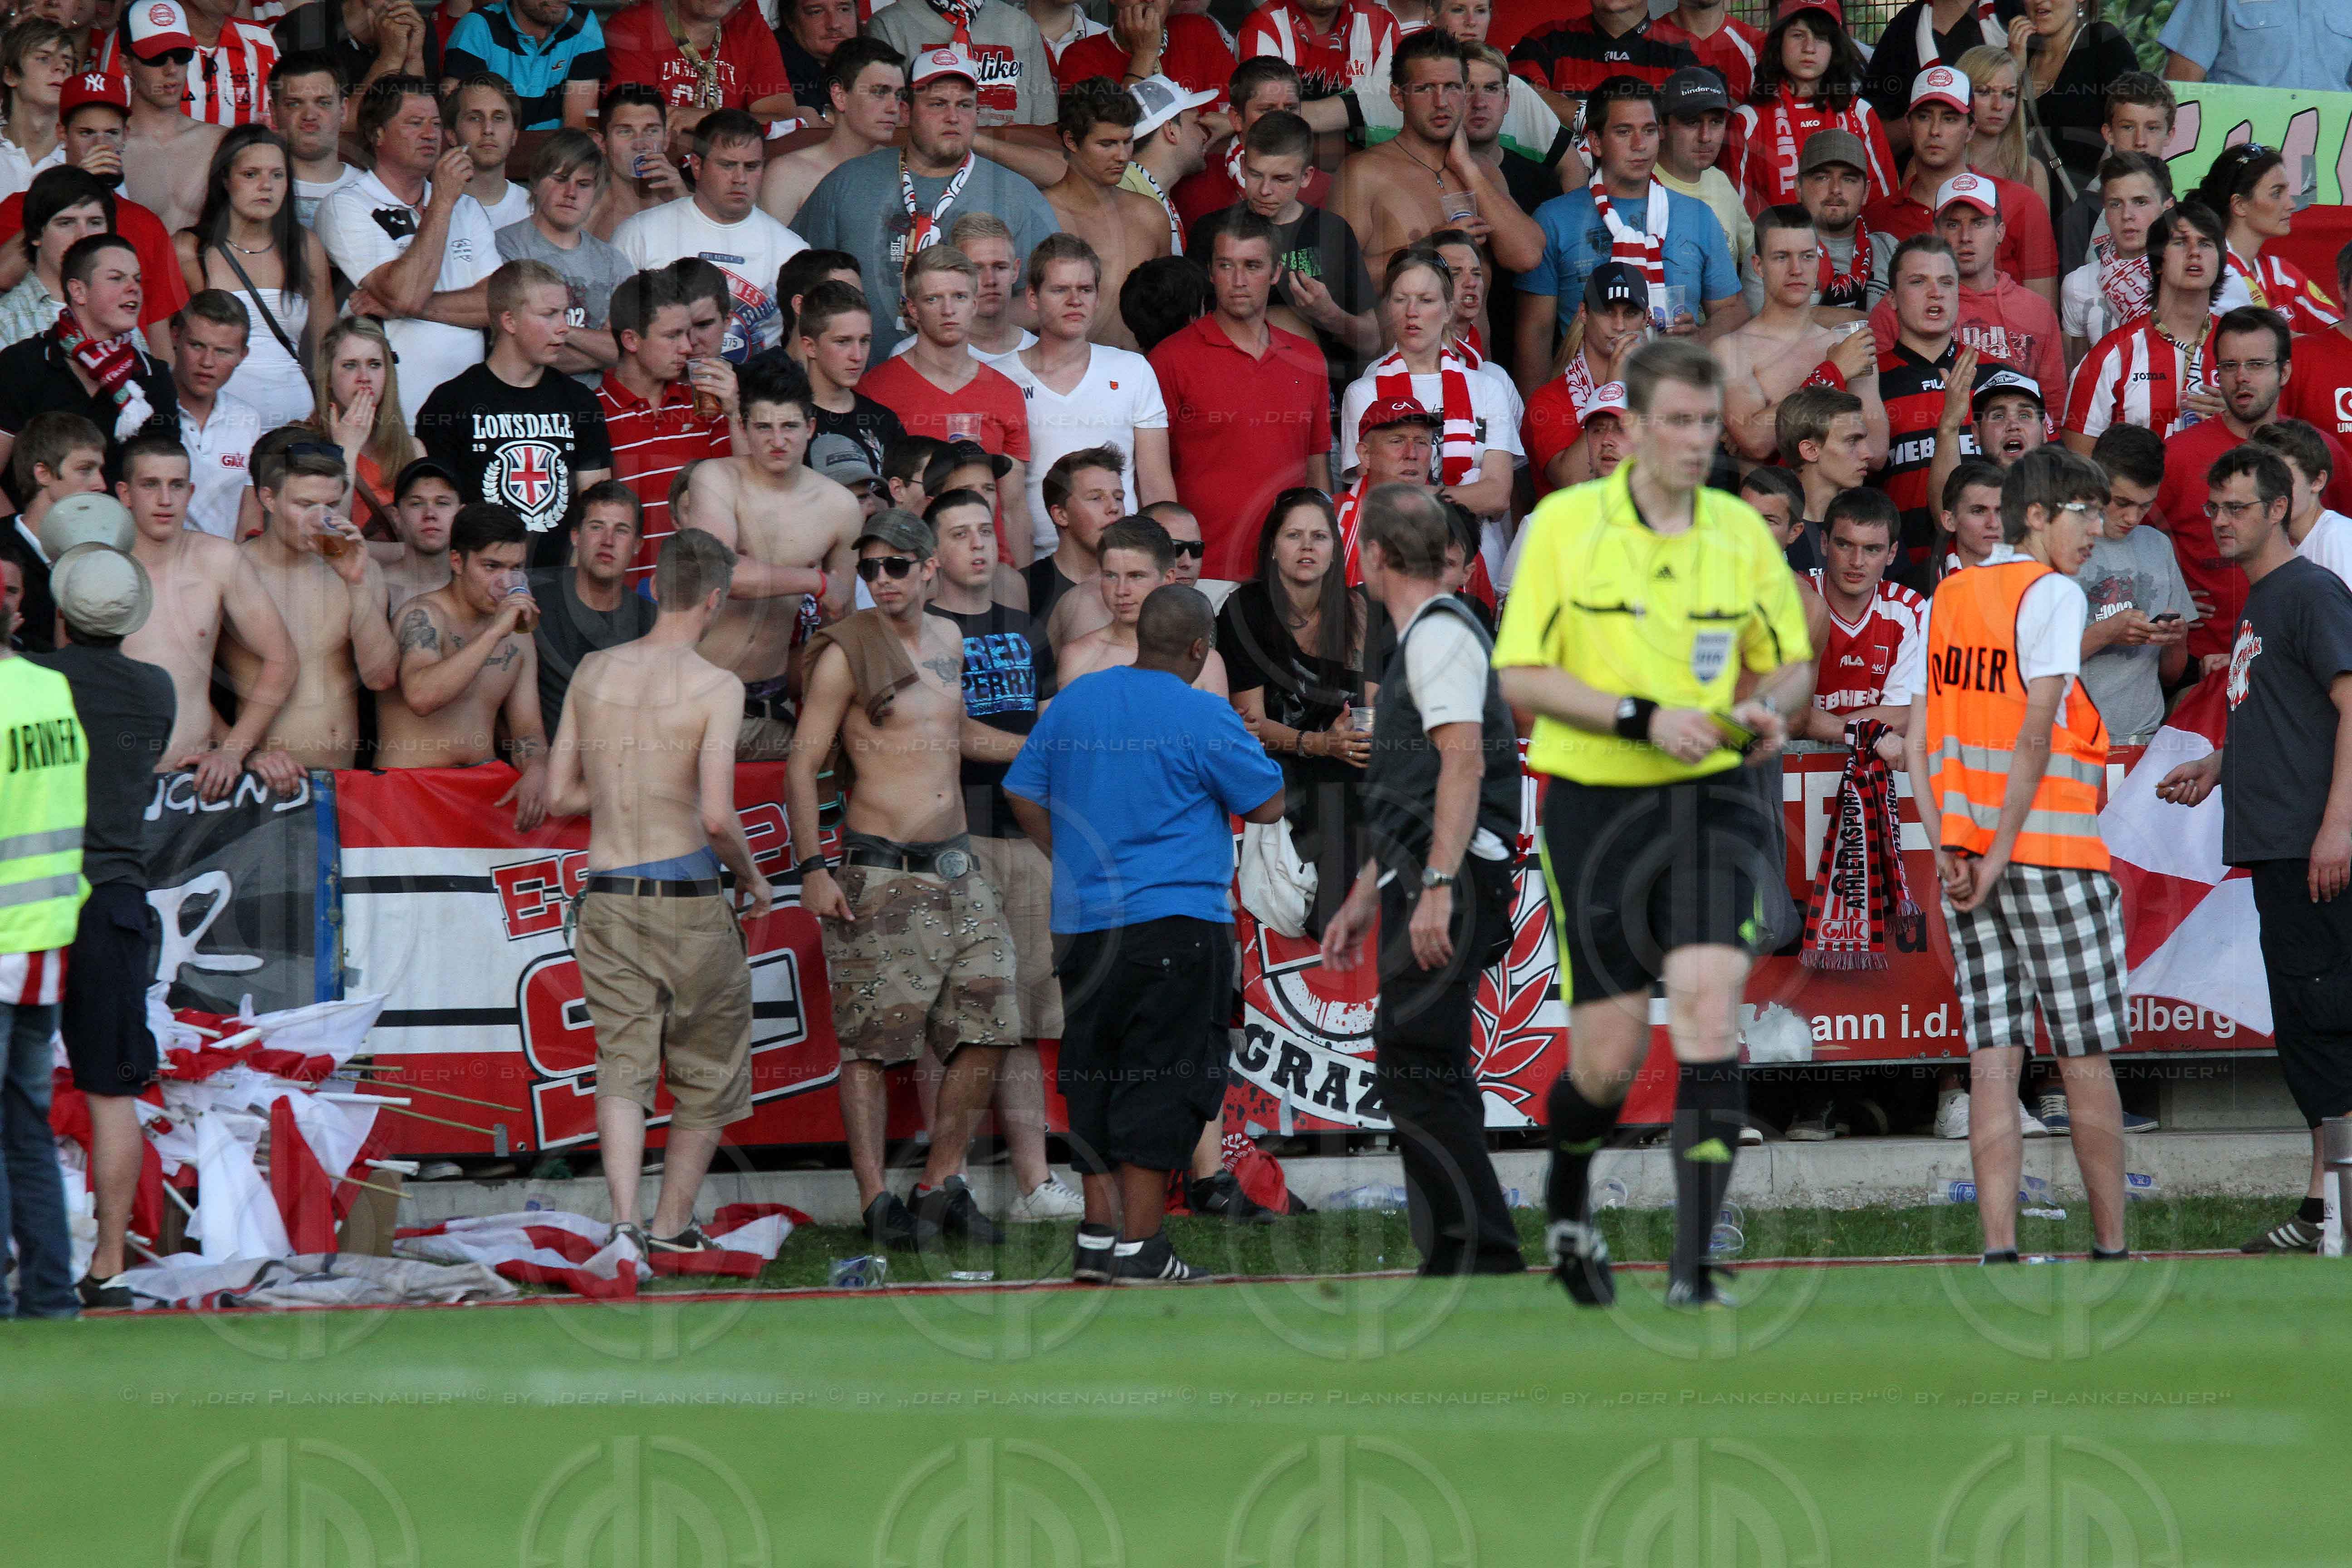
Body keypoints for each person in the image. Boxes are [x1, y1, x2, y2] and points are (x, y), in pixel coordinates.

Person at [1494, 337, 1813, 1310]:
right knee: (1609, 1057)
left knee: (1711, 1011)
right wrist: (1641, 717)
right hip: (1597, 801)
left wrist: (1772, 708)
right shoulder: (1561, 526)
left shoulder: (1737, 531)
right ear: (1628, 429)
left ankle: (1693, 1265)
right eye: (1674, 421)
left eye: (1707, 423)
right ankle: (1566, 1194)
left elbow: (1792, 661)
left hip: (1715, 793)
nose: (1693, 440)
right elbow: (1519, 679)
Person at [1004, 583, 1285, 1282]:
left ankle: (1098, 1242)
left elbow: (1019, 789)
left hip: (1085, 926)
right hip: (1177, 923)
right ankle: (1143, 1247)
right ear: (1200, 649)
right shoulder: (1201, 712)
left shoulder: (1078, 700)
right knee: (1162, 1082)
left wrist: (1069, 857)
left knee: (1094, 1077)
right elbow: (1270, 802)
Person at [1904, 443, 2129, 1262]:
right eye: (2083, 513)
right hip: (2048, 856)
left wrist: (1952, 851)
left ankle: (1997, 1249)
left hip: (1967, 862)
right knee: (2081, 1056)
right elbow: (2034, 730)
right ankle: (2110, 1248)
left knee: (1991, 1059)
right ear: (2035, 515)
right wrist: (1996, 855)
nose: (2095, 530)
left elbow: (1918, 742)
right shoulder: (2050, 593)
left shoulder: (1949, 596)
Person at [788, 509, 1024, 1250]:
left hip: (957, 866)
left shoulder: (953, 639)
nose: (881, 579)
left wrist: (1047, 746)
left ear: (929, 569)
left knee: (989, 1028)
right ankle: (873, 1200)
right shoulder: (845, 652)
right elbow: (802, 763)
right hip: (878, 870)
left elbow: (954, 736)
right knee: (869, 1044)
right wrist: (812, 869)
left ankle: (937, 1183)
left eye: (896, 566)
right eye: (870, 567)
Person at [545, 525, 773, 1258]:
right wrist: (753, 875)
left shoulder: (593, 669)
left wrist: (621, 789)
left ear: (652, 588)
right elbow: (714, 815)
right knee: (705, 1069)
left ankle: (621, 1225)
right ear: (714, 598)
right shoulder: (716, 686)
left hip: (609, 889)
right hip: (687, 899)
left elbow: (558, 793)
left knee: (623, 1062)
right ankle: (672, 1225)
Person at [1318, 482, 1524, 1275]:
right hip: (1438, 872)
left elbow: (1461, 760)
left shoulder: (1436, 635)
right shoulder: (1433, 633)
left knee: (1416, 1056)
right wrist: (1371, 889)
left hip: (1455, 878)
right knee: (1421, 1057)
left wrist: (1434, 883)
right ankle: (1461, 1244)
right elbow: (1419, 785)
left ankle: (1476, 1247)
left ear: (1368, 555)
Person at [2156, 445, 2352, 1251]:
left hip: (2312, 845)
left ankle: (2331, 1211)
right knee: (2309, 1029)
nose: (2217, 522)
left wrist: (2336, 825)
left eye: (2234, 506)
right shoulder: (2261, 602)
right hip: (2278, 843)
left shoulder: (2307, 590)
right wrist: (2217, 763)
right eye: (2210, 509)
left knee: (2324, 1026)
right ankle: (2321, 1206)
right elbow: (2291, 717)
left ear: (2277, 508)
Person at [921, 488, 1085, 1222]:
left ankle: (1032, 1183)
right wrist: (1035, 750)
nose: (978, 545)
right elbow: (951, 733)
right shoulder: (922, 634)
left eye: (985, 531)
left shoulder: (1025, 627)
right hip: (958, 837)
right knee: (952, 1018)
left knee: (1019, 1019)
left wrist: (1038, 748)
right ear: (934, 554)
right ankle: (942, 1178)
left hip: (1029, 837)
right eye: (959, 534)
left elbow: (1054, 712)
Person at [32, 527, 173, 1305]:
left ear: (60, 613)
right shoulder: (156, 690)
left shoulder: (33, 682)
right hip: (114, 897)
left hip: (29, 896)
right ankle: (110, 1265)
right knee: (112, 1089)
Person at [791, 44, 1060, 339]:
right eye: (937, 104)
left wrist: (970, 325)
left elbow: (1052, 297)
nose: (953, 117)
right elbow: (799, 282)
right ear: (906, 112)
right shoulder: (848, 181)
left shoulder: (1016, 192)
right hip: (862, 377)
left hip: (976, 378)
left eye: (965, 105)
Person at [1514, 76, 1744, 398]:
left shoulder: (1698, 215)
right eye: (1624, 132)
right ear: (1595, 142)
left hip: (1676, 396)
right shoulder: (1554, 218)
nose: (1640, 144)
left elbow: (1733, 309)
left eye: (1649, 131)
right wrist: (1535, 423)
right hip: (1581, 401)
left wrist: (1699, 339)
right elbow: (1535, 334)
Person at [679, 359, 858, 755]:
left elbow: (840, 622)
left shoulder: (841, 507)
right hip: (694, 692)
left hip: (770, 701)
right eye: (764, 427)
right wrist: (817, 581)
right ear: (743, 427)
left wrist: (828, 710)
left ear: (810, 428)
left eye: (790, 426)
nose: (778, 440)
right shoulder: (714, 478)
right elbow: (723, 575)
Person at [2156, 306, 2352, 668]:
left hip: (2303, 662)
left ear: (2285, 371)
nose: (2242, 378)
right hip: (2206, 660)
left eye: (2257, 365)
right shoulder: (2178, 456)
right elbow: (2135, 537)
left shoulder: (2322, 453)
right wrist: (2170, 593)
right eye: (2229, 366)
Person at [1152, 212, 1333, 593]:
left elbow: (1317, 470)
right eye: (1226, 265)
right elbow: (1151, 473)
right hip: (1203, 572)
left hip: (1289, 574)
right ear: (1211, 272)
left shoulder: (1308, 359)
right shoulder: (1170, 358)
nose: (1238, 281)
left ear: (1275, 272)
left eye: (1252, 266)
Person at [115, 432, 299, 796]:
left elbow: (283, 660)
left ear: (191, 492)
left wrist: (235, 752)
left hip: (193, 781)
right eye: (150, 485)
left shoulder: (218, 560)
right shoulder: (97, 568)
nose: (165, 500)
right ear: (125, 494)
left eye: (177, 485)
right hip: (115, 781)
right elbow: (74, 679)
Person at [315, 76, 498, 427]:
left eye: (436, 124)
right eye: (415, 123)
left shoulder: (469, 208)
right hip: (391, 417)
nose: (431, 134)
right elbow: (405, 294)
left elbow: (496, 306)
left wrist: (409, 309)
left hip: (467, 413)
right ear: (378, 134)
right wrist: (442, 201)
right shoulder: (347, 206)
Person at [1218, 485, 1364, 916]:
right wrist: (1319, 744)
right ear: (1272, 548)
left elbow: (1372, 710)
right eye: (1293, 536)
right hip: (1278, 756)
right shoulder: (1245, 609)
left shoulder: (1359, 611)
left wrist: (1357, 741)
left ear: (1335, 551)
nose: (1307, 547)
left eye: (1319, 537)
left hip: (1344, 752)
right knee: (1335, 793)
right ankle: (1328, 921)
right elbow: (1252, 723)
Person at [416, 259, 614, 568]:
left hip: (560, 584)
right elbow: (441, 515)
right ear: (509, 321)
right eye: (549, 315)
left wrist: (569, 591)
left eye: (564, 312)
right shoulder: (450, 403)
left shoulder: (581, 403)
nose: (564, 326)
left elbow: (596, 510)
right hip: (478, 588)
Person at [0, 590, 82, 1318]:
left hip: (4, 937)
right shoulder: (50, 688)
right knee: (26, 1130)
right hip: (47, 935)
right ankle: (53, 1297)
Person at [1193, 109, 1380, 415]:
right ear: (1242, 165)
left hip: (1319, 403)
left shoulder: (1330, 232)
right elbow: (1192, 328)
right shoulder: (1211, 231)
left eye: (1281, 179)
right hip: (1230, 399)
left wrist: (1329, 314)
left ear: (1306, 176)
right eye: (1255, 175)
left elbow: (1372, 342)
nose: (1266, 191)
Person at [859, 246, 1036, 564]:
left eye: (959, 297)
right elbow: (870, 502)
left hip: (989, 571)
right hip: (909, 572)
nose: (948, 310)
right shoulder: (876, 390)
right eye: (933, 299)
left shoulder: (1006, 392)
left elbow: (1014, 507)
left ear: (975, 305)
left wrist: (1021, 582)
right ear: (912, 309)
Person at [231, 432, 396, 768]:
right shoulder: (231, 571)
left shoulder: (363, 571)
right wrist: (239, 755)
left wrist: (357, 583)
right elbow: (189, 692)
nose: (320, 519)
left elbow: (381, 678)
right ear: (269, 499)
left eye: (332, 506)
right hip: (265, 784)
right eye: (305, 505)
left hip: (343, 780)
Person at [1332, 32, 1539, 299]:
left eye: (1452, 87)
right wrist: (1429, 248)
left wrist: (1466, 167)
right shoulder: (1363, 173)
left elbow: (1527, 256)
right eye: (1425, 88)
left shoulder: (1482, 170)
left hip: (1474, 342)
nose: (1441, 102)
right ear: (1398, 95)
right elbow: (1339, 282)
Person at [377, 501, 549, 821]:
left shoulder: (519, 636)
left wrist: (537, 770)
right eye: (491, 567)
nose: (505, 582)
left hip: (481, 795)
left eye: (515, 569)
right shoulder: (423, 615)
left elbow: (527, 729)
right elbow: (421, 696)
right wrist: (494, 633)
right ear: (457, 561)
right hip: (410, 792)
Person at [1339, 250, 1521, 549]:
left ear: (1449, 309)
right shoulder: (1364, 392)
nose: (1413, 312)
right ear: (1388, 309)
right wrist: (1467, 492)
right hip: (1397, 552)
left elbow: (1498, 497)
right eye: (1401, 300)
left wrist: (1413, 497)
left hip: (1478, 556)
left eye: (1426, 300)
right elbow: (1374, 497)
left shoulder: (1489, 387)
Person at [614, 108, 807, 364]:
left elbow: (806, 349)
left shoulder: (793, 251)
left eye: (751, 167)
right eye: (727, 165)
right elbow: (613, 336)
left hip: (754, 397)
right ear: (697, 165)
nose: (740, 179)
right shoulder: (639, 234)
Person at [1864, 66, 2057, 314]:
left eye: (1950, 118)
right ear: (1908, 126)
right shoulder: (1878, 216)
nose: (1935, 131)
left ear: (1971, 129)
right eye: (1924, 117)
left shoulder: (2021, 202)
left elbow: (2044, 317)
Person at [173, 128, 330, 429]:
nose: (266, 186)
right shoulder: (189, 249)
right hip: (217, 425)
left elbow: (327, 346)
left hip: (298, 424)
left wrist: (323, 414)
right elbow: (172, 346)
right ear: (225, 179)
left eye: (277, 175)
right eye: (250, 174)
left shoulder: (305, 246)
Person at [1870, 170, 2063, 408]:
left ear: (2000, 232)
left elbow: (2053, 406)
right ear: (1936, 233)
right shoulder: (1901, 306)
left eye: (1978, 223)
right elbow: (1875, 396)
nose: (1965, 237)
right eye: (1953, 224)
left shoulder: (2037, 310)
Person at [0, 233, 180, 482]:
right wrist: (19, 523)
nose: (134, 288)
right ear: (79, 291)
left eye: (137, 280)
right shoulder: (21, 364)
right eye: (117, 278)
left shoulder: (153, 376)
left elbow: (163, 483)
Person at [1717, 205, 1886, 466]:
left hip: (1840, 505)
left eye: (1807, 257)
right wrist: (1832, 374)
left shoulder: (1846, 345)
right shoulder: (1731, 349)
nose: (1796, 269)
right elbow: (1756, 442)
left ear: (1819, 263)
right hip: (1769, 502)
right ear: (1759, 266)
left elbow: (1875, 452)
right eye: (1782, 257)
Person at [598, 268, 732, 580]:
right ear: (631, 340)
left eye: (687, 334)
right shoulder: (592, 411)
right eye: (673, 336)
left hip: (695, 596)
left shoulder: (706, 404)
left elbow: (737, 495)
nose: (688, 347)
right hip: (623, 605)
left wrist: (735, 411)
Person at [2063, 199, 2222, 456]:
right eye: (2180, 242)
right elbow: (2079, 470)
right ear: (2158, 262)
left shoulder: (2245, 348)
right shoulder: (2109, 356)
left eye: (2206, 243)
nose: (2195, 252)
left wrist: (2239, 418)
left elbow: (2274, 437)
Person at [1873, 235, 1999, 559]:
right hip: (1893, 572)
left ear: (1959, 293)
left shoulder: (2003, 380)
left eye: (1946, 282)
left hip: (1988, 569)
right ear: (1892, 299)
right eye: (1918, 282)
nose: (1935, 293)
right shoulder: (1868, 381)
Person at [2070, 421, 2194, 743]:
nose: (2133, 518)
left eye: (2146, 505)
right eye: (2121, 503)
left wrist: (2177, 638)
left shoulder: (2157, 545)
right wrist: (2107, 632)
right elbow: (2030, 666)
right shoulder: (2058, 545)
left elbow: (2171, 674)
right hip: (2071, 744)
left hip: (2144, 738)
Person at [1726, 0, 1895, 216]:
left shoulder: (1860, 115)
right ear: (1779, 42)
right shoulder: (1748, 121)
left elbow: (1883, 213)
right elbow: (1737, 223)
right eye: (1798, 35)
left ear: (1835, 47)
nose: (1809, 48)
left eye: (1821, 38)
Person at [1792, 485, 1925, 760]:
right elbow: (1788, 714)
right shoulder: (1797, 602)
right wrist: (1871, 735)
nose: (1857, 562)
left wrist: (1824, 725)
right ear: (1824, 543)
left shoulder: (1907, 609)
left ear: (1892, 553)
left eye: (1873, 549)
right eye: (1845, 544)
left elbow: (1904, 714)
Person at [495, 131, 632, 387]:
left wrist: (550, 330)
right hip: (525, 409)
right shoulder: (505, 247)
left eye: (584, 184)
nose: (571, 193)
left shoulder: (614, 262)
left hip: (594, 412)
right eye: (560, 179)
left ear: (597, 193)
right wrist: (602, 352)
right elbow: (516, 349)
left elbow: (627, 349)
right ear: (535, 183)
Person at [1040, 77, 1167, 351]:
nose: (1122, 156)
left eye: (1127, 141)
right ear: (1072, 141)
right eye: (1107, 144)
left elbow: (1166, 312)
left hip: (1139, 379)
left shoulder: (1150, 216)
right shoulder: (1037, 215)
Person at [528, 480, 654, 725]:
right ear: (576, 536)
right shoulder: (533, 594)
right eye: (597, 527)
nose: (608, 540)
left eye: (621, 530)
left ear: (638, 545)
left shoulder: (650, 622)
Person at [1059, 514, 1230, 691]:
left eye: (1136, 576)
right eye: (1110, 576)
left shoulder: (1207, 663)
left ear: (1168, 579)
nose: (1121, 590)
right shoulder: (1078, 658)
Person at [1520, 261, 1647, 495]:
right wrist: (1614, 389)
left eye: (1630, 313)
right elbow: (1572, 481)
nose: (1619, 325)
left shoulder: (1657, 394)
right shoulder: (1548, 400)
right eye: (1607, 312)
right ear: (1583, 313)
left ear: (1646, 318)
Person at [2196, 143, 2342, 338]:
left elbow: (2341, 332)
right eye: (2276, 193)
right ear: (2239, 205)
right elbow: (2269, 349)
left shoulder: (2280, 273)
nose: (2291, 205)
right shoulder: (2216, 270)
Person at [1171, 56, 1332, 230]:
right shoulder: (1194, 187)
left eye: (1290, 109)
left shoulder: (1325, 188)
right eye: (1267, 110)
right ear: (1237, 118)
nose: (1280, 118)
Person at [758, 37, 903, 229]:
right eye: (879, 93)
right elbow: (773, 256)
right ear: (840, 96)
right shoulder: (788, 175)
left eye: (899, 95)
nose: (894, 108)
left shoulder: (903, 170)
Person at [599, 0, 798, 136]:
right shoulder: (633, 26)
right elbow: (636, 125)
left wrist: (707, 119)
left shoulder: (750, 28)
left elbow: (785, 122)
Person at [866, 0, 1057, 140]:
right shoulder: (889, 24)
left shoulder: (1021, 25)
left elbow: (1046, 130)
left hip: (1013, 177)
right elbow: (885, 129)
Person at [2006, 0, 2136, 204]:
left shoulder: (2103, 42)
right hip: (2023, 214)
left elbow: (2134, 125)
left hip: (2090, 215)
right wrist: (2012, 70)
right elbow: (1994, 136)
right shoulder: (2016, 55)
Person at [114, 2, 228, 235]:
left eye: (181, 55)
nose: (171, 69)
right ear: (126, 64)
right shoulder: (110, 147)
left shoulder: (221, 143)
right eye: (156, 58)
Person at [2051, 72, 2173, 278]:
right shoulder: (2080, 218)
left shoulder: (2183, 213)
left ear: (2170, 135)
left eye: (2152, 128)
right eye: (2128, 127)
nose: (2140, 141)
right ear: (2108, 133)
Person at [3, 413, 108, 651]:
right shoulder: (2, 547)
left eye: (100, 470)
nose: (101, 484)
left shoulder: (96, 560)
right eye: (85, 470)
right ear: (43, 474)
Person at [2057, 152, 2172, 366]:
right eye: (2116, 204)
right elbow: (2081, 376)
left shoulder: (2193, 275)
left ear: (2168, 206)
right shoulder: (2077, 284)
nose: (2127, 214)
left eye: (2140, 202)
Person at [168, 291, 264, 540]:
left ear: (243, 356)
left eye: (223, 351)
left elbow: (249, 513)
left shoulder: (248, 420)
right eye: (197, 345)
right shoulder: (143, 408)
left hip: (223, 571)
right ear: (176, 337)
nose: (207, 362)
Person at [1507, 0, 1694, 123]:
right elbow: (1508, 94)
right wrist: (1586, 118)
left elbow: (1698, 132)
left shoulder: (1686, 49)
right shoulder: (1547, 39)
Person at [1862, 0, 2012, 152]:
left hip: (2000, 159)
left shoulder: (2011, 11)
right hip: (1920, 166)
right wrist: (1928, 118)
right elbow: (1871, 134)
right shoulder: (1905, 27)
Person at [790, 279, 904, 479]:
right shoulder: (785, 422)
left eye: (864, 341)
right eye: (843, 342)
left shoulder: (885, 421)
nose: (858, 356)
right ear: (810, 347)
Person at [439, 0, 607, 132]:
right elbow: (457, 126)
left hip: (557, 165)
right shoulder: (477, 27)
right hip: (488, 164)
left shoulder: (581, 22)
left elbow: (578, 129)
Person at [1656, 68, 1750, 292]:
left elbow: (1753, 259)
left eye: (1716, 123)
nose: (1706, 137)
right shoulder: (1638, 185)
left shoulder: (1720, 182)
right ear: (1661, 126)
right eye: (1691, 123)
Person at [0, 167, 111, 354]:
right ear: (36, 234)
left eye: (95, 223)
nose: (83, 236)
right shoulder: (6, 320)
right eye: (66, 223)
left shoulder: (120, 313)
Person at [1024, 443, 1124, 637]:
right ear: (1061, 515)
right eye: (1096, 498)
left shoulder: (1139, 585)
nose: (1114, 508)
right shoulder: (1026, 590)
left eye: (1119, 497)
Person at [1054, 0, 1235, 104]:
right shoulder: (1080, 57)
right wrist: (1145, 55)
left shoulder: (1197, 31)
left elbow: (1241, 111)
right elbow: (1112, 138)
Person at [269, 0, 425, 115]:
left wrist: (413, 57)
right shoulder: (306, 25)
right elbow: (335, 124)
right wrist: (391, 57)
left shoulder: (415, 24)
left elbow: (424, 123)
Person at [1774, 385, 1871, 568]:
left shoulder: (1876, 524)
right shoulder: (1768, 534)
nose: (1868, 453)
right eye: (1852, 441)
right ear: (1811, 450)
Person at [920, 210, 1034, 364]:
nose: (990, 280)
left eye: (1000, 267)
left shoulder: (1044, 355)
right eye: (976, 269)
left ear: (1015, 271)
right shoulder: (918, 356)